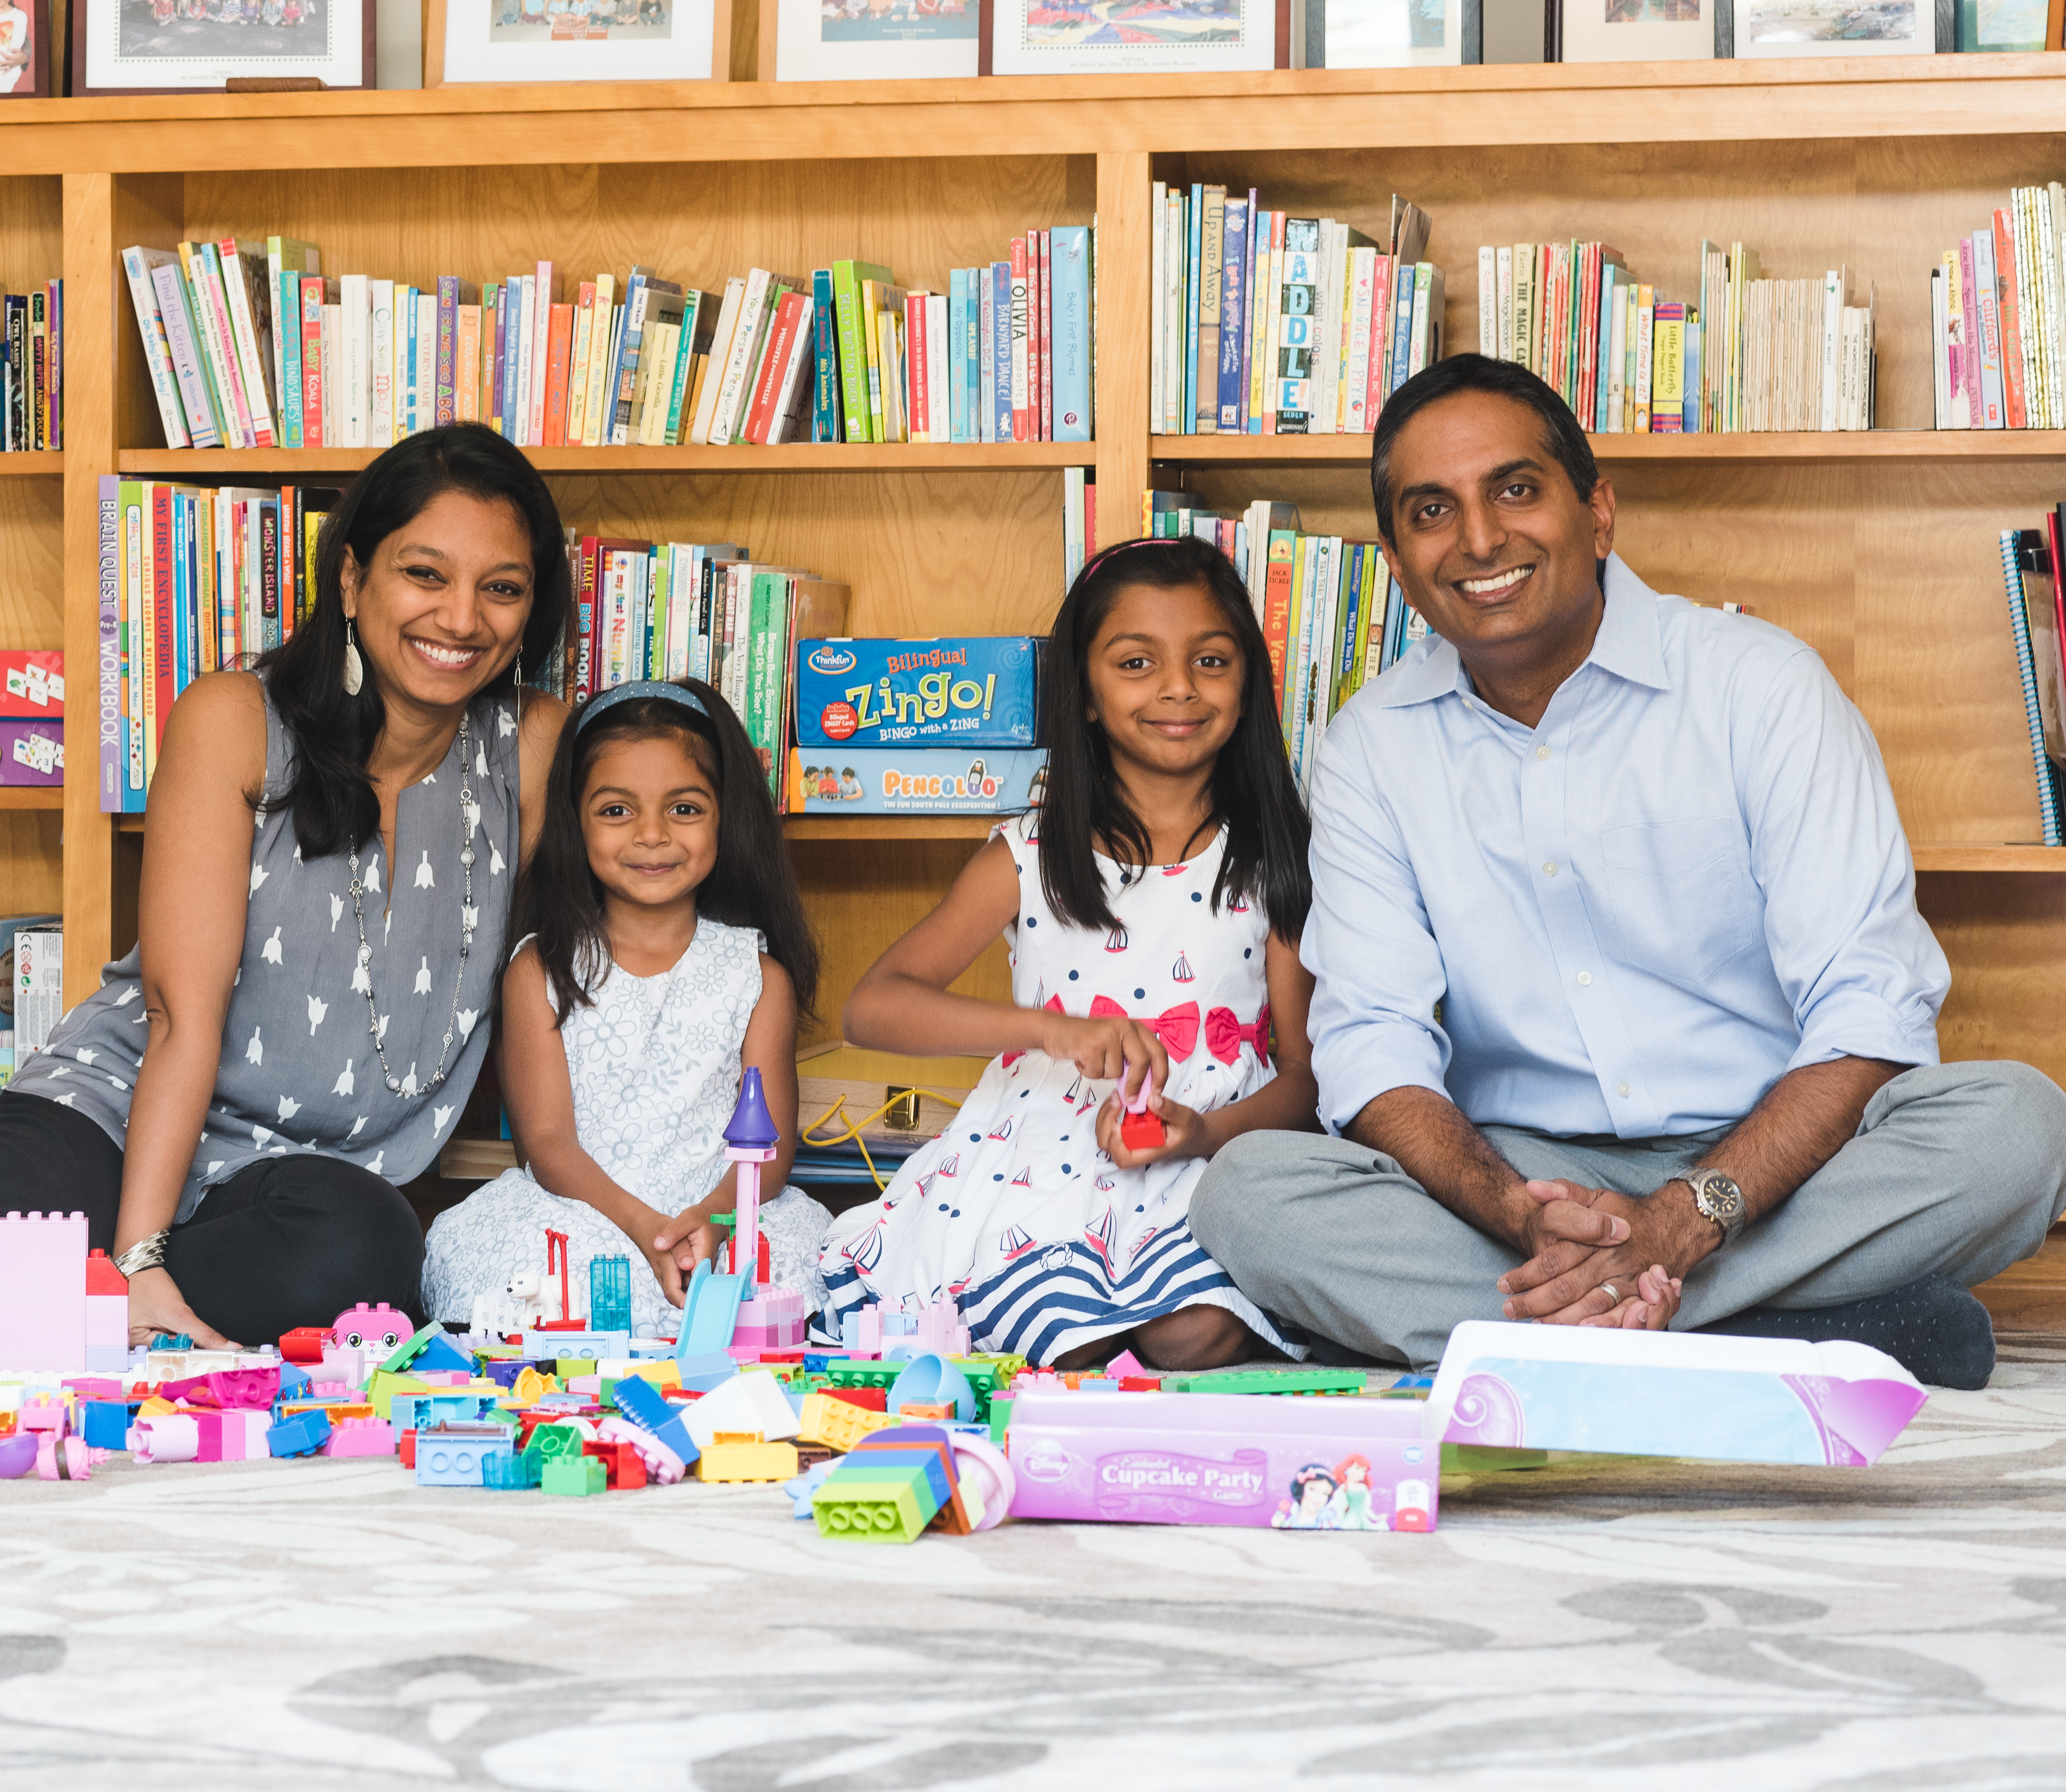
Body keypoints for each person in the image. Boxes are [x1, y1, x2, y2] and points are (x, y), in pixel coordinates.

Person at [1189, 357, 2066, 1388]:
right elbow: (1371, 1042)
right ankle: (1784, 1337)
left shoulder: (1760, 686)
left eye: (1515, 489)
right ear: (1395, 555)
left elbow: (1866, 1008)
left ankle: (1530, 1336)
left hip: (1771, 1163)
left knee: (2019, 1126)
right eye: (1433, 509)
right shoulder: (1367, 748)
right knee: (1246, 1191)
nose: (1477, 539)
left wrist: (1690, 1215)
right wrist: (1518, 1212)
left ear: (1595, 509)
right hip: (1516, 1175)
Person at [0, 424, 573, 1352]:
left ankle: (44, 1291)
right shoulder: (237, 720)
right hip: (118, 1109)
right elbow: (179, 1014)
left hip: (301, 1170)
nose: (459, 619)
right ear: (351, 579)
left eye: (501, 589)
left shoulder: (529, 752)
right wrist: (135, 1260)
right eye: (424, 575)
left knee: (367, 1263)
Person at [818, 540, 1318, 1368]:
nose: (1177, 687)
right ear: (1083, 694)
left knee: (1188, 1332)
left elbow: (1305, 1081)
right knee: (1057, 1331)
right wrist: (1053, 1033)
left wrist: (1198, 1131)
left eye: (1210, 659)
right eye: (1135, 661)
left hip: (1212, 1151)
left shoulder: (1273, 861)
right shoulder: (1028, 852)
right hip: (1042, 1151)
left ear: (1246, 682)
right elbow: (872, 1006)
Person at [420, 681, 829, 1337]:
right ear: (573, 822)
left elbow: (770, 1150)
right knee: (529, 1270)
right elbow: (548, 1143)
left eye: (685, 809)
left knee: (792, 1264)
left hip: (722, 1207)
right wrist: (643, 1228)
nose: (651, 835)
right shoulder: (539, 969)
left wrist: (716, 1221)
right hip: (589, 1209)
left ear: (726, 816)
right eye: (615, 811)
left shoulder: (757, 977)